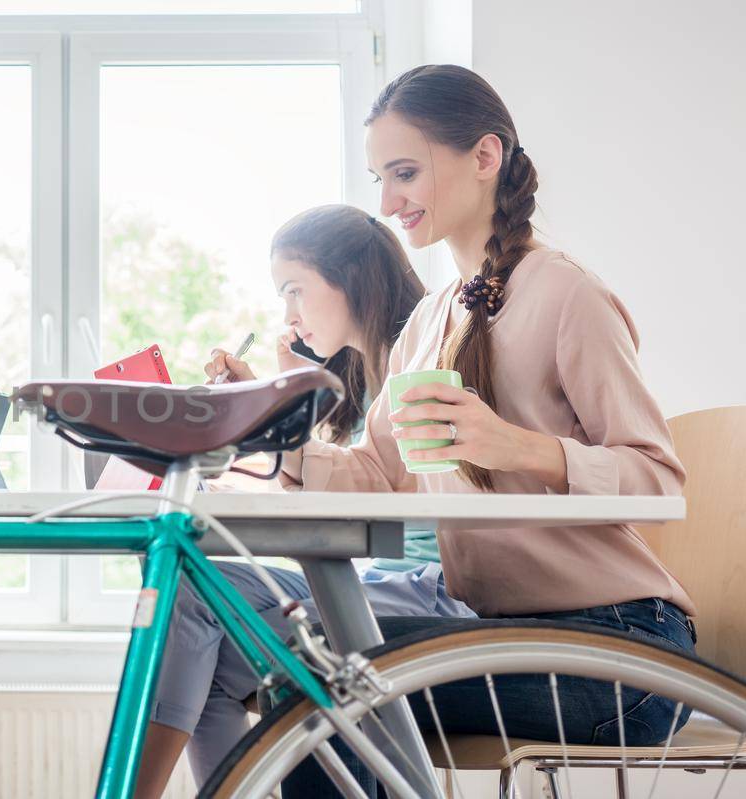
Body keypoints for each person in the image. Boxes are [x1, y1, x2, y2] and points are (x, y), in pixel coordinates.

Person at [279, 64, 693, 796]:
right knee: (309, 654)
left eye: (404, 172)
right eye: (378, 176)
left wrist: (517, 447)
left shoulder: (566, 294)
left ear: (484, 156)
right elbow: (375, 474)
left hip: (624, 652)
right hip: (507, 630)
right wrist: (275, 432)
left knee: (325, 679)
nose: (386, 201)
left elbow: (658, 479)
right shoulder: (429, 321)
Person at [134, 204, 477, 796]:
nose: (287, 315)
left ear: (352, 280)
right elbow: (333, 482)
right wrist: (277, 398)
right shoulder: (360, 374)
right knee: (191, 585)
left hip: (429, 590)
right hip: (376, 582)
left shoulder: (419, 362)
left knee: (212, 637)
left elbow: (365, 489)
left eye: (295, 291)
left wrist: (279, 408)